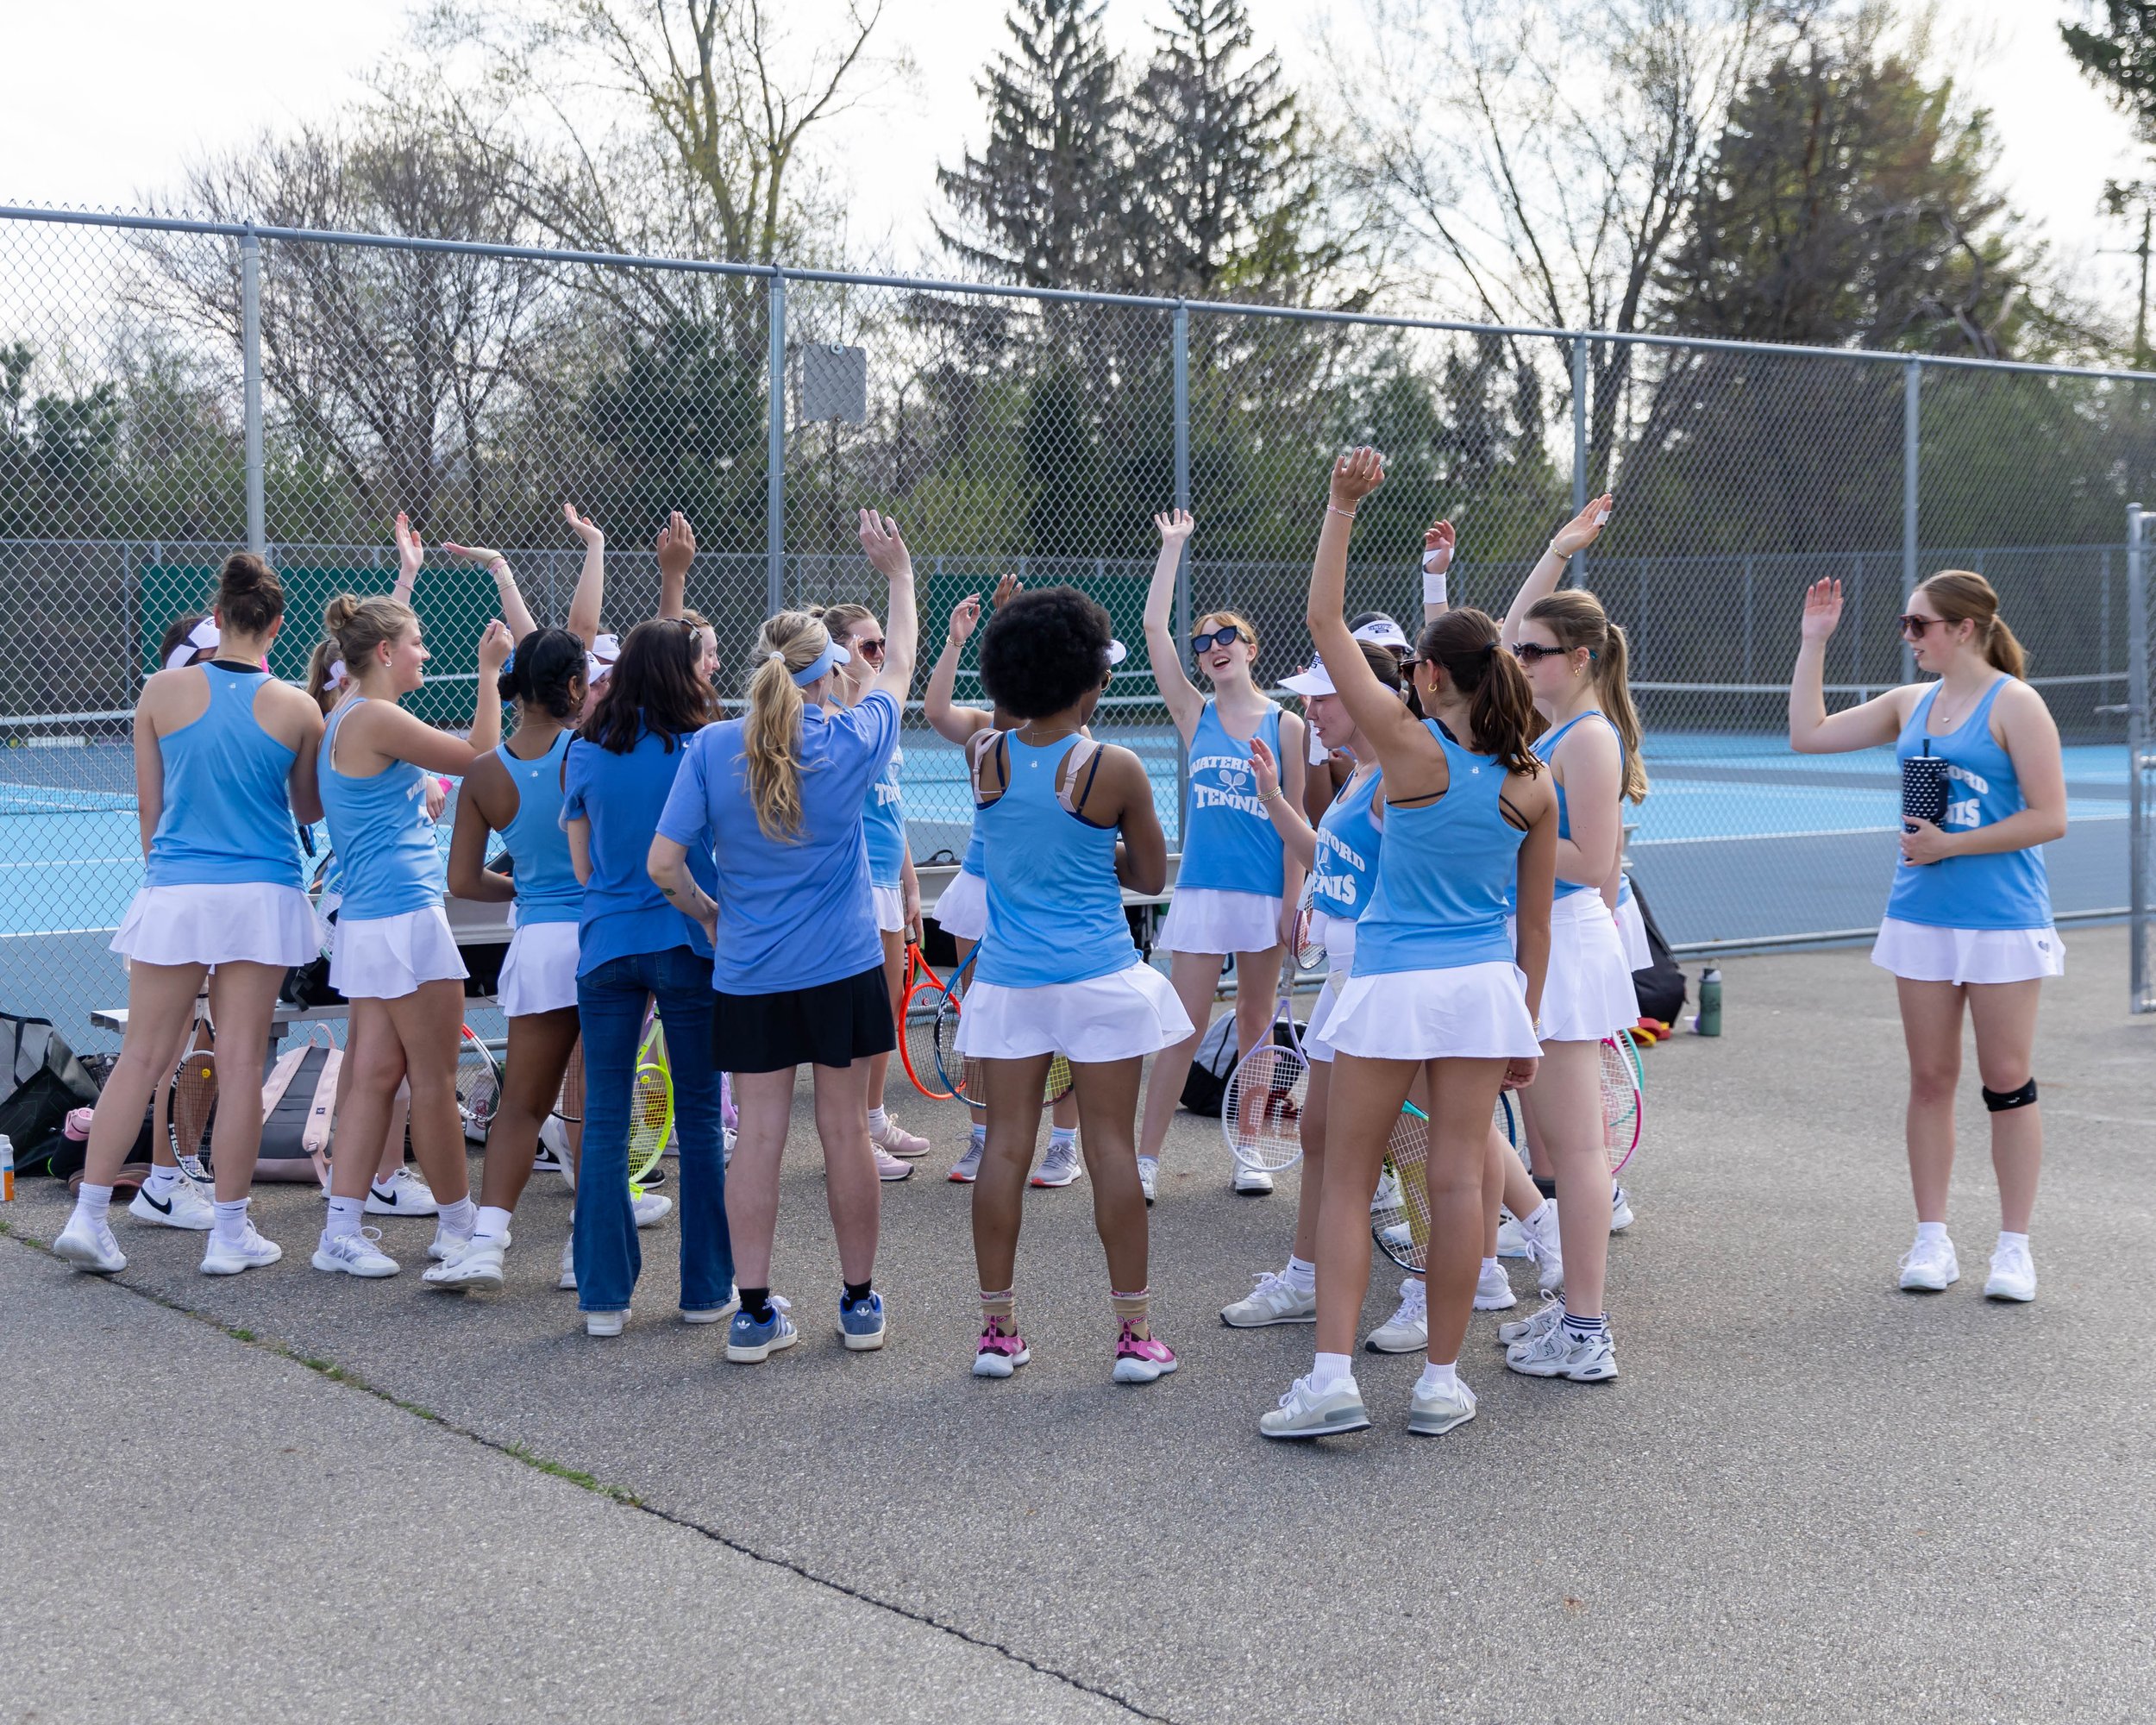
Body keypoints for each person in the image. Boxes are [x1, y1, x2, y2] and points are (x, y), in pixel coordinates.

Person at [1260, 447, 1555, 1442]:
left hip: (1390, 985)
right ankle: (1439, 1381)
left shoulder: (1407, 750)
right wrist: (1531, 1022)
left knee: (1348, 1178)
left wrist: (1341, 506)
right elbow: (1536, 925)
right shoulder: (1531, 783)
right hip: (1480, 991)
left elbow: (1322, 623)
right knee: (1462, 1179)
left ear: (1428, 675)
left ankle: (1333, 1378)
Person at [648, 508, 918, 1364]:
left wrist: (712, 914)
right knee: (845, 1132)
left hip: (751, 971)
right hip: (839, 970)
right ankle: (860, 1299)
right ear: (831, 666)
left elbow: (663, 864)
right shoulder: (848, 740)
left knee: (757, 1137)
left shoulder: (712, 746)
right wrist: (900, 576)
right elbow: (901, 667)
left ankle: (754, 1310)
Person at [1789, 569, 2065, 1302]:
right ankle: (1932, 1239)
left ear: (1964, 629)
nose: (1908, 638)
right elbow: (1808, 735)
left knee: (2007, 1081)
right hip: (1922, 916)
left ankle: (2014, 1250)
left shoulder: (2018, 704)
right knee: (1930, 1079)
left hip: (2003, 918)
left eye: (1920, 625)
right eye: (1906, 624)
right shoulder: (1913, 703)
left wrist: (1951, 846)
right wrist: (1814, 641)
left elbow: (2050, 816)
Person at [55, 555, 326, 1276]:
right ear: (273, 626)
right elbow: (307, 808)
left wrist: (171, 881)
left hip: (175, 891)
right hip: (261, 897)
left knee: (142, 1056)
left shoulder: (159, 692)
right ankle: (229, 1234)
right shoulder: (299, 708)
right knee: (239, 1064)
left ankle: (88, 1219)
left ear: (220, 614)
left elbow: (151, 812)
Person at [956, 586, 1189, 1383]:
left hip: (1011, 982)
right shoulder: (1113, 766)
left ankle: (998, 1333)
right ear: (1090, 682)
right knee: (1110, 1147)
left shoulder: (982, 755)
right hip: (1097, 977)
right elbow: (1150, 875)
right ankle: (1133, 1337)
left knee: (1006, 1147)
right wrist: (1104, 850)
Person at [1486, 499, 1643, 1383]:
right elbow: (1506, 629)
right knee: (1555, 1149)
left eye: (1535, 654)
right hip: (1540, 940)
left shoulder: (1588, 738)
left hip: (1569, 947)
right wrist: (1553, 549)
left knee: (1576, 1154)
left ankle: (1586, 1329)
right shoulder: (1554, 726)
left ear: (1577, 659)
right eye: (1519, 654)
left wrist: (1499, 851)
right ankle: (1571, 1311)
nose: (1518, 661)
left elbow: (1594, 862)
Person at [310, 591, 511, 1278]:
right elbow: (483, 754)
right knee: (432, 1080)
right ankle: (458, 1231)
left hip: (375, 916)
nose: (427, 653)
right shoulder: (374, 717)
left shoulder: (349, 716)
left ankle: (340, 1232)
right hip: (401, 913)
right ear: (387, 654)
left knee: (372, 1077)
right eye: (418, 643)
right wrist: (490, 673)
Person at [1219, 642, 1409, 1329]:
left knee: (1421, 1145)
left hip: (1386, 982)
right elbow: (1324, 858)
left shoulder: (1399, 776)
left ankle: (1442, 1284)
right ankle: (1303, 1279)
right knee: (1322, 1137)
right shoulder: (1357, 773)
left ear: (1362, 695)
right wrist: (1271, 794)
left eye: (1321, 697)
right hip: (1344, 979)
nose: (1309, 709)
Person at [563, 609, 734, 1336]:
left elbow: (581, 866)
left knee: (604, 1115)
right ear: (681, 672)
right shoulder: (704, 749)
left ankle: (603, 1298)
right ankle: (705, 1292)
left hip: (605, 945)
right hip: (687, 939)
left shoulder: (583, 751)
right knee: (697, 1117)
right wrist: (707, 910)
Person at [1138, 509, 1308, 1202]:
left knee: (1256, 1024)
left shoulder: (1288, 725)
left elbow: (1297, 819)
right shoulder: (1194, 714)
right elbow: (1154, 629)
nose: (1213, 646)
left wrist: (1296, 902)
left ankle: (1250, 1150)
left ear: (1252, 648)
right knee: (1183, 1022)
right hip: (1206, 891)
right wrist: (1173, 548)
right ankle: (1145, 1161)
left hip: (1267, 891)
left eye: (1226, 636)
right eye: (1204, 640)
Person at [922, 580, 1087, 1185]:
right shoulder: (984, 739)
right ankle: (983, 1137)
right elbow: (937, 709)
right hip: (979, 891)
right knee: (983, 1017)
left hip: (1043, 903)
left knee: (1059, 1023)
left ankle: (1063, 1144)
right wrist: (957, 642)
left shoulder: (1080, 746)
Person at [813, 601, 930, 1180]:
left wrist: (911, 885)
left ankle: (875, 1118)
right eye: (867, 646)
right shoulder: (834, 717)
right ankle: (855, 1133)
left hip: (888, 880)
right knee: (859, 1014)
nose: (878, 656)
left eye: (883, 645)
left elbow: (894, 808)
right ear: (838, 653)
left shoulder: (884, 715)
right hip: (852, 884)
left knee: (888, 1005)